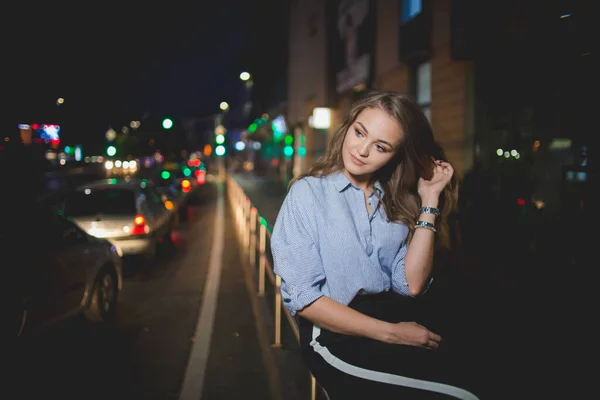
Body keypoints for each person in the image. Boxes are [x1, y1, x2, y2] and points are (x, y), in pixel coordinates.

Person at [271, 91, 481, 399]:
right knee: (461, 394)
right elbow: (305, 299)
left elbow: (411, 284)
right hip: (333, 336)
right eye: (359, 132)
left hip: (393, 321)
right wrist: (393, 334)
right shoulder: (308, 194)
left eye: (380, 146)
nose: (362, 150)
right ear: (348, 126)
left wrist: (430, 199)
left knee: (477, 379)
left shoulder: (395, 204)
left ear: (396, 155)